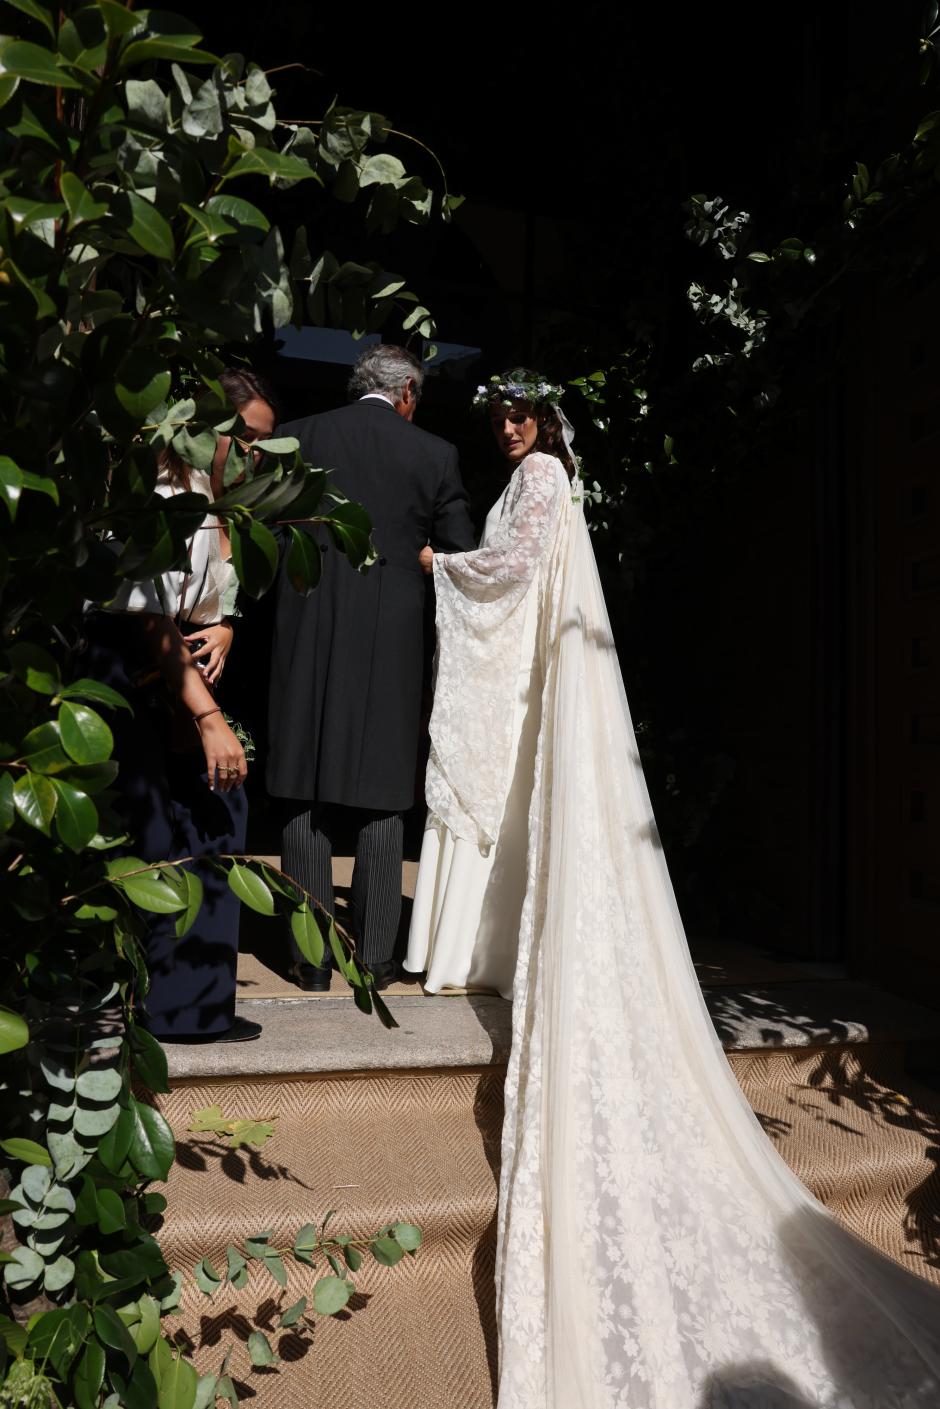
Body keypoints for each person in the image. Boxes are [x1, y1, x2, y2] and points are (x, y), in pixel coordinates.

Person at [409, 368, 940, 1407]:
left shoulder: (547, 477)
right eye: (503, 418)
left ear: (545, 419)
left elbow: (517, 566)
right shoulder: (534, 477)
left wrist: (440, 564)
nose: (510, 428)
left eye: (520, 414)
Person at [266, 344, 476, 991]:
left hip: (307, 628)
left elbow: (262, 529)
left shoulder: (297, 437)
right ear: (407, 391)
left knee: (305, 782)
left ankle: (310, 957)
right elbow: (463, 555)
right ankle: (377, 955)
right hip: (392, 641)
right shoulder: (433, 455)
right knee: (383, 792)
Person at [82, 369, 277, 1042]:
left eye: (266, 443)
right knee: (163, 835)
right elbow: (146, 614)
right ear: (207, 432)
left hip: (178, 666)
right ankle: (161, 1008)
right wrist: (209, 718)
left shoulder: (216, 495)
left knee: (223, 808)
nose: (260, 455)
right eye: (248, 438)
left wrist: (225, 624)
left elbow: (211, 591)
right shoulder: (162, 489)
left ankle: (192, 1008)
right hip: (132, 663)